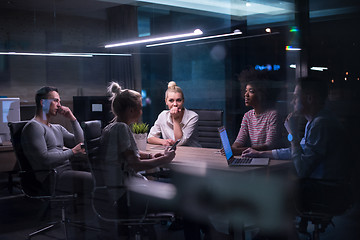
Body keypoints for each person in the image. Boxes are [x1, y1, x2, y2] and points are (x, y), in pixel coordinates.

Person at [99, 81, 176, 208]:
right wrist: (164, 159)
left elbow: (126, 153)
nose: (141, 111)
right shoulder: (122, 128)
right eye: (140, 108)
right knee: (183, 192)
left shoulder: (111, 128)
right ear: (131, 110)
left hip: (118, 189)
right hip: (127, 192)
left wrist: (150, 156)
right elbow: (135, 165)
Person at [21, 86, 93, 196]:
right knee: (95, 180)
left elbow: (81, 142)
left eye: (59, 101)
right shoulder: (34, 127)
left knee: (101, 174)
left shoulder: (57, 128)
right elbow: (44, 159)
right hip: (52, 176)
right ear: (43, 103)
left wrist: (72, 119)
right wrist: (72, 152)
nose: (59, 105)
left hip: (66, 171)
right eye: (55, 100)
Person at [232, 80, 281, 155]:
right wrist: (232, 149)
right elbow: (239, 140)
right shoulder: (247, 116)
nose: (246, 95)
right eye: (245, 91)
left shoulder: (273, 115)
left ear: (261, 94)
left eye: (251, 91)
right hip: (254, 156)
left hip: (269, 158)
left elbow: (268, 146)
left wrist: (239, 151)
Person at [147, 81, 201, 147]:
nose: (175, 104)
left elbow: (179, 143)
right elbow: (150, 138)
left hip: (193, 153)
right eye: (171, 100)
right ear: (166, 101)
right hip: (172, 152)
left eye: (178, 100)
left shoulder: (193, 116)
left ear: (183, 101)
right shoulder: (163, 115)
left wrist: (175, 119)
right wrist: (163, 141)